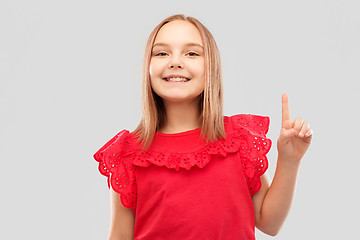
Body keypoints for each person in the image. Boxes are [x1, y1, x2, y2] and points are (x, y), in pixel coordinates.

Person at [93, 14, 313, 240]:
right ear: (147, 67)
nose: (175, 61)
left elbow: (270, 222)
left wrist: (289, 159)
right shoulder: (128, 154)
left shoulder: (237, 140)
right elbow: (119, 235)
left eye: (192, 53)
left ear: (212, 68)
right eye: (161, 53)